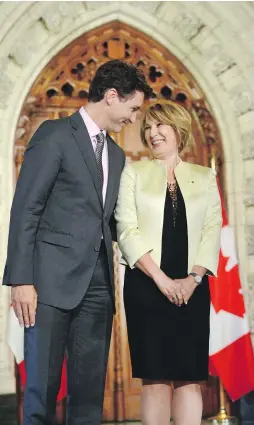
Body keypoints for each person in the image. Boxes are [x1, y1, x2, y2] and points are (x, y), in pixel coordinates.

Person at [2, 59, 151, 425]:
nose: (133, 119)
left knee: (88, 395)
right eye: (132, 108)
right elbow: (26, 209)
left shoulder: (116, 155)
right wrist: (21, 280)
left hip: (98, 288)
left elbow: (113, 222)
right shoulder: (54, 135)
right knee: (42, 391)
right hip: (49, 286)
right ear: (112, 96)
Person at [115, 100, 222, 425]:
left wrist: (193, 279)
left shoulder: (204, 176)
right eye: (147, 127)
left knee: (190, 378)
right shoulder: (132, 172)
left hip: (193, 286)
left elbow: (211, 228)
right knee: (156, 378)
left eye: (159, 125)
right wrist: (162, 280)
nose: (152, 132)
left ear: (178, 129)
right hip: (147, 286)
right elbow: (126, 229)